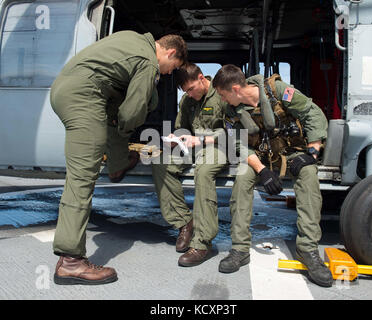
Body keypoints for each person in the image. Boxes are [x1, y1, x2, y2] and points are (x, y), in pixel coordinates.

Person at [51, 30, 187, 285]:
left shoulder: (132, 38)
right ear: (169, 52)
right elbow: (133, 111)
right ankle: (71, 262)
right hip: (83, 97)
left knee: (114, 116)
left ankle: (117, 166)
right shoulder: (149, 62)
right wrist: (126, 131)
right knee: (81, 179)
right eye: (172, 67)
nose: (168, 73)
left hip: (67, 88)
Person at [212, 64, 333, 287]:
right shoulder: (232, 111)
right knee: (242, 179)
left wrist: (312, 152)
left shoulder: (277, 91)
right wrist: (262, 171)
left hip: (291, 152)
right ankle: (239, 249)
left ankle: (307, 249)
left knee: (308, 175)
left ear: (236, 89)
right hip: (259, 157)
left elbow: (311, 113)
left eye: (223, 94)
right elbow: (239, 144)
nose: (222, 100)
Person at [151, 63, 228, 266]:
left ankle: (202, 242)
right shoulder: (187, 100)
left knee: (203, 172)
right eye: (186, 91)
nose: (190, 94)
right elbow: (182, 127)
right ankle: (184, 221)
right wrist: (176, 137)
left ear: (202, 78)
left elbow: (231, 132)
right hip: (192, 146)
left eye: (192, 89)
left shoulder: (222, 94)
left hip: (219, 146)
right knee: (160, 162)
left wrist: (202, 139)